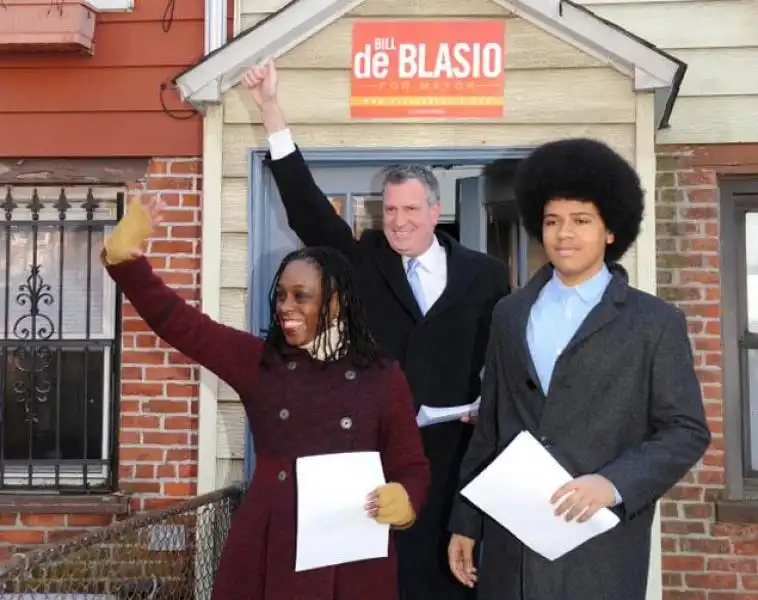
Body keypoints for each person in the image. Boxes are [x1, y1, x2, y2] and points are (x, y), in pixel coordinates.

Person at [242, 61, 510, 600]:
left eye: (411, 208)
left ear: (435, 210)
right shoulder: (362, 261)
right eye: (390, 210)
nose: (399, 221)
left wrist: (491, 403)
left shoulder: (485, 275)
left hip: (455, 460)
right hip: (374, 461)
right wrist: (272, 109)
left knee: (449, 581)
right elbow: (307, 210)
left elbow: (503, 357)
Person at [101, 195, 431, 600]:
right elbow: (183, 326)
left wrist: (406, 498)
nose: (285, 307)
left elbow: (411, 463)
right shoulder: (261, 362)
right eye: (281, 295)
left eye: (301, 296)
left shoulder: (381, 375)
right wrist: (127, 264)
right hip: (271, 543)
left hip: (352, 548)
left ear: (336, 301)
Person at [447, 138, 711, 600]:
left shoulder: (654, 322)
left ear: (612, 230)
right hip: (514, 550)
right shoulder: (509, 314)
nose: (564, 233)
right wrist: (465, 520)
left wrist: (612, 484)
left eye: (581, 220)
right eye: (553, 221)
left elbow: (686, 430)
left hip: (599, 549)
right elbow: (488, 430)